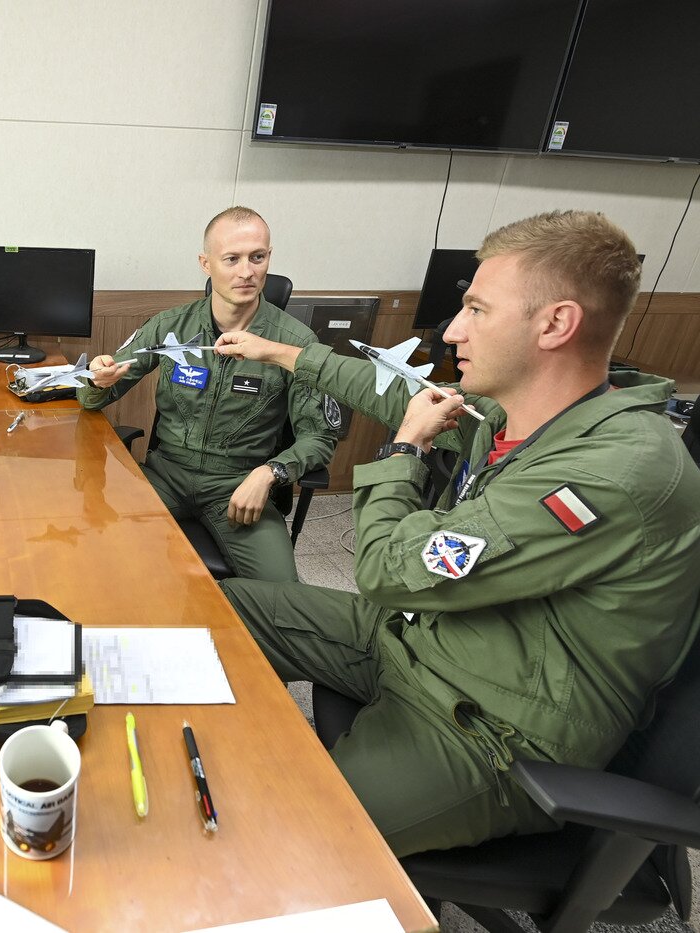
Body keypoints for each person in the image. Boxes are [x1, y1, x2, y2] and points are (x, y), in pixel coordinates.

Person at [213, 210, 700, 855]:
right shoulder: (523, 411)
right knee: (216, 609)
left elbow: (389, 568)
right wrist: (281, 352)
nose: (451, 329)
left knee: (281, 838)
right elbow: (390, 391)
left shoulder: (610, 472)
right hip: (424, 639)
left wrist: (404, 452)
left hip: (492, 727)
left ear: (555, 324)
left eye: (476, 309)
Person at [78, 206, 339, 581]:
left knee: (284, 599)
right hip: (165, 477)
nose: (246, 272)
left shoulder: (294, 343)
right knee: (96, 556)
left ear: (269, 259)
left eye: (257, 257)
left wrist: (270, 473)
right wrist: (96, 381)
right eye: (231, 258)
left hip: (239, 484)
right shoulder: (169, 327)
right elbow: (95, 397)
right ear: (206, 263)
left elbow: (320, 437)